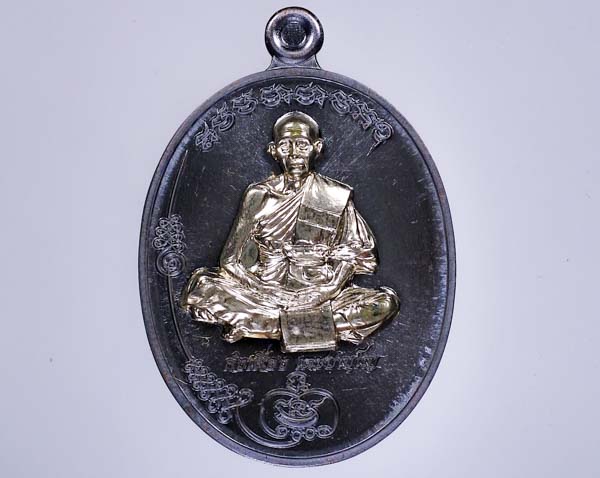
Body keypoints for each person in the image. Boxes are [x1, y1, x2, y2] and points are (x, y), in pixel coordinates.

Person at [181, 111, 399, 351]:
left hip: (321, 294)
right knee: (203, 288)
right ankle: (310, 327)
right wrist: (265, 290)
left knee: (383, 304)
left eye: (302, 145)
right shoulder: (259, 195)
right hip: (264, 292)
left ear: (317, 148)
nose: (294, 154)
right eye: (286, 146)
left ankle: (263, 327)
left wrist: (329, 289)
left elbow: (357, 253)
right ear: (274, 151)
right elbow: (229, 261)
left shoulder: (334, 195)